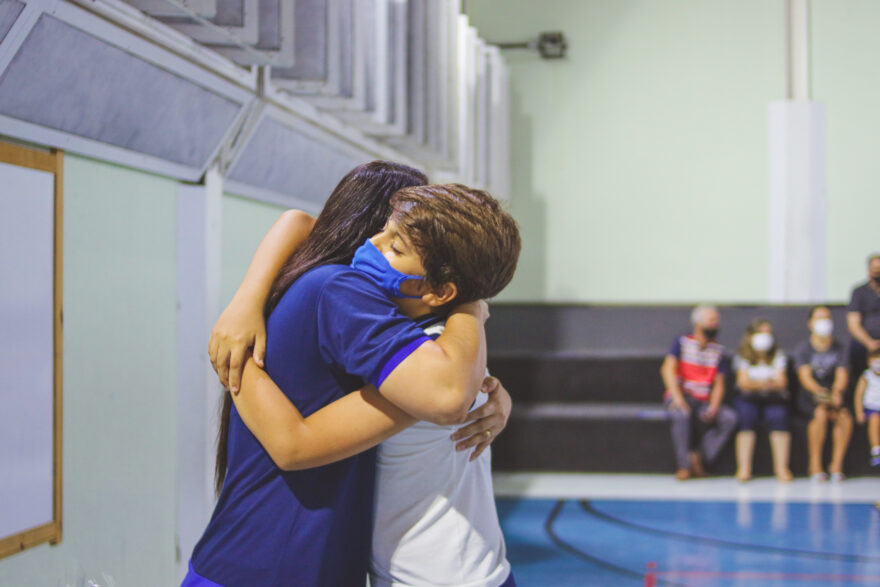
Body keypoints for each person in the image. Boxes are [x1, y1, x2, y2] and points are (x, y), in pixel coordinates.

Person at [184, 176, 521, 586]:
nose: (371, 246)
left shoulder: (430, 356)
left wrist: (473, 307)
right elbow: (302, 223)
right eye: (380, 231)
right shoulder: (434, 342)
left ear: (438, 290)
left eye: (396, 246)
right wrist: (243, 308)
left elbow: (449, 397)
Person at [660, 305, 737, 480]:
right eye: (712, 320)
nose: (715, 324)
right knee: (681, 415)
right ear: (698, 323)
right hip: (681, 396)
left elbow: (719, 384)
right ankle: (684, 466)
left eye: (717, 321)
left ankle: (699, 457)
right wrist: (678, 398)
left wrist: (714, 406)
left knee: (729, 418)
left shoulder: (719, 351)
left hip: (704, 400)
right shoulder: (682, 342)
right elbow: (667, 370)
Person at [794, 306, 851, 482]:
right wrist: (821, 394)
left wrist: (836, 392)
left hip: (834, 394)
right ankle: (815, 466)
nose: (824, 323)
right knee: (820, 414)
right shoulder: (803, 349)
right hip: (811, 397)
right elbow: (805, 378)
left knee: (844, 417)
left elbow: (842, 375)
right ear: (810, 323)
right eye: (820, 318)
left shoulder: (840, 348)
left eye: (827, 318)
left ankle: (836, 466)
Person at [732, 318, 792, 482]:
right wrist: (767, 383)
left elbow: (781, 383)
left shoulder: (778, 355)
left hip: (773, 399)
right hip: (748, 399)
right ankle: (744, 468)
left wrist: (756, 383)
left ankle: (781, 468)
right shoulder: (742, 355)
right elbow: (743, 383)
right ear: (750, 336)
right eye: (761, 333)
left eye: (768, 333)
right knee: (746, 416)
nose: (765, 336)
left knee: (779, 417)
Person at [846, 253, 880, 380]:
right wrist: (869, 342)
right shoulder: (859, 292)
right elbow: (853, 323)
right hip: (864, 343)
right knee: (855, 348)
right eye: (875, 269)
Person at [854, 348, 880, 469]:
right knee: (874, 420)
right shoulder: (867, 376)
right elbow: (858, 395)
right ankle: (876, 451)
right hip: (872, 408)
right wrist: (859, 412)